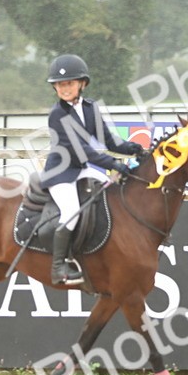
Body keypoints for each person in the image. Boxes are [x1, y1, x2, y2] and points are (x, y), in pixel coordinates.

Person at [40, 53, 144, 285]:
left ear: (82, 84)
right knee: (71, 211)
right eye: (59, 84)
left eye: (69, 83)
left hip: (81, 168)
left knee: (113, 192)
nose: (64, 88)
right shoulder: (57, 115)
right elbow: (82, 152)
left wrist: (135, 149)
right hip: (61, 173)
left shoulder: (90, 108)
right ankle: (58, 267)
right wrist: (114, 165)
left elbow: (108, 141)